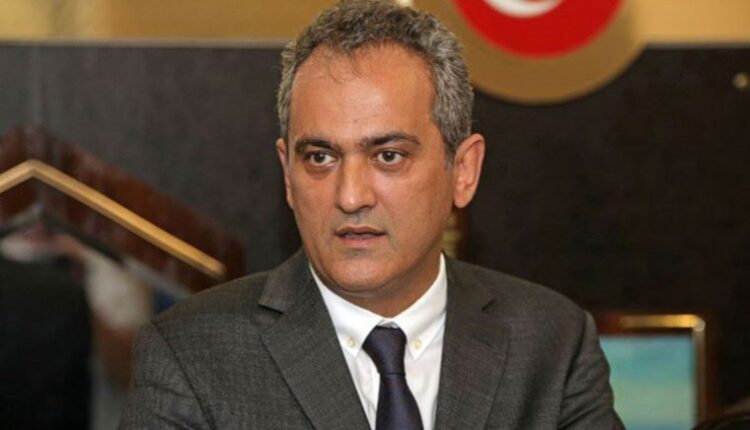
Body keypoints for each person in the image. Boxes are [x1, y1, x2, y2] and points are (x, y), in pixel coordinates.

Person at [119, 0, 623, 428]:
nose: (351, 196)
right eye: (320, 157)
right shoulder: (192, 355)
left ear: (464, 170)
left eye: (388, 156)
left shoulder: (551, 343)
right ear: (288, 173)